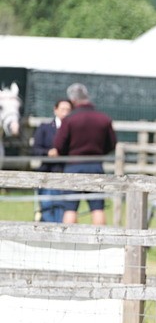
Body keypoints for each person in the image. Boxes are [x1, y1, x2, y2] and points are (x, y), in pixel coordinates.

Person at [52, 83, 117, 225]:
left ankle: (68, 242)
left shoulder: (69, 120)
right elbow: (112, 144)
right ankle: (100, 243)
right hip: (96, 166)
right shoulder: (104, 119)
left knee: (70, 208)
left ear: (73, 100)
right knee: (97, 208)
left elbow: (59, 146)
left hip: (73, 167)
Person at [31, 98, 72, 222]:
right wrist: (48, 153)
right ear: (55, 110)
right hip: (47, 173)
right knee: (47, 207)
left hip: (66, 174)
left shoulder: (74, 130)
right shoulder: (45, 128)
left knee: (63, 209)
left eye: (68, 110)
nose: (65, 112)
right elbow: (35, 149)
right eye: (63, 109)